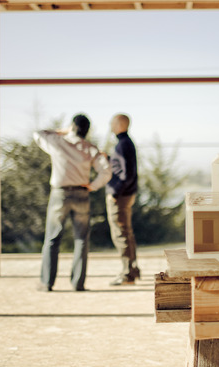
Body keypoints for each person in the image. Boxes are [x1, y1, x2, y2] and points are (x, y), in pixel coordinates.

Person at [34, 114, 111, 292]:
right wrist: (92, 186)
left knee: (52, 238)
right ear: (87, 130)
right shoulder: (91, 148)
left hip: (60, 194)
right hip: (82, 194)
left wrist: (62, 131)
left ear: (72, 127)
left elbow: (38, 133)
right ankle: (78, 283)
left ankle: (46, 283)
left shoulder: (57, 142)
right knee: (82, 240)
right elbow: (106, 172)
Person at [105, 113, 140, 286]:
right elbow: (122, 168)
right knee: (126, 232)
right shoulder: (125, 144)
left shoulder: (123, 144)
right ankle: (132, 270)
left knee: (121, 234)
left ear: (120, 124)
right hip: (126, 194)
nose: (110, 126)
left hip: (120, 196)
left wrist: (114, 193)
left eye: (112, 123)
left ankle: (128, 274)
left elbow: (126, 174)